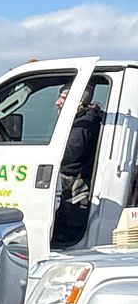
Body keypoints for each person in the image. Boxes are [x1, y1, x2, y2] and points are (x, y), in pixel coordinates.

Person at [53, 83, 107, 249]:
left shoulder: (84, 123)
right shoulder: (82, 119)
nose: (57, 102)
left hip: (74, 181)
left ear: (78, 102)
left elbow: (67, 157)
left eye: (63, 98)